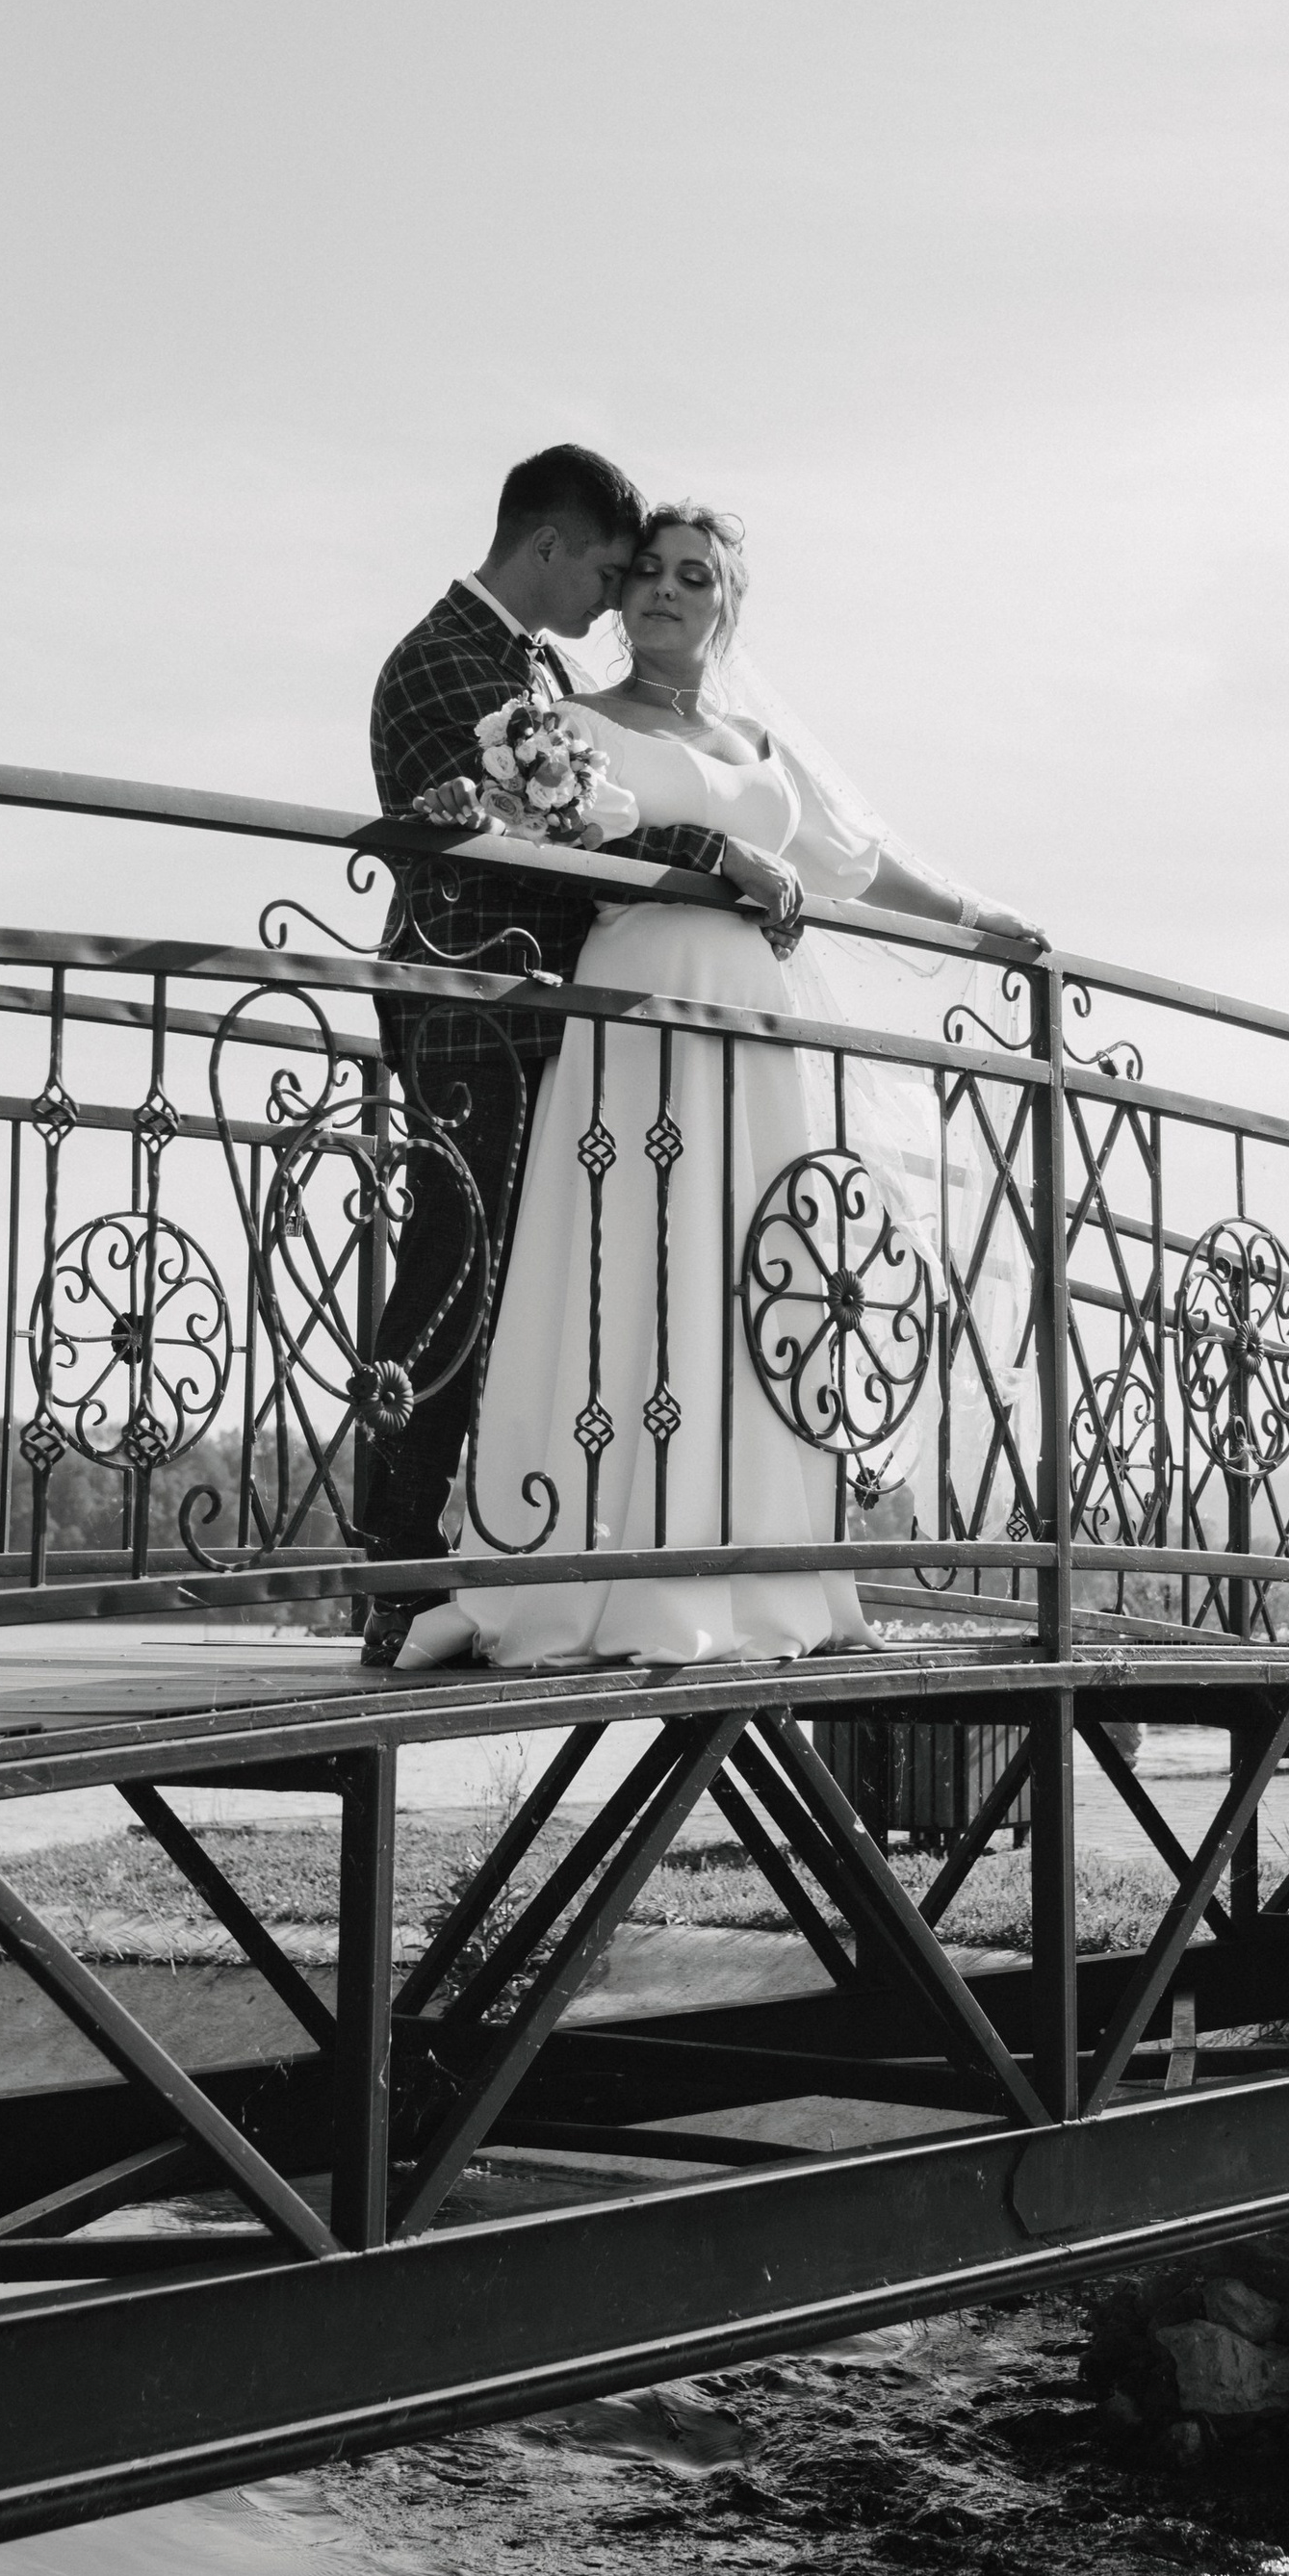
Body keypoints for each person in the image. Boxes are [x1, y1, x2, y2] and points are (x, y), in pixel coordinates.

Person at [397, 503, 1039, 1675]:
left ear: (725, 603)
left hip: (756, 1030)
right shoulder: (563, 720)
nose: (662, 590)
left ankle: (755, 1563)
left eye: (692, 575)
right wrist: (468, 810)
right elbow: (532, 833)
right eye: (645, 571)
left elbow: (856, 860)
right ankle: (600, 1572)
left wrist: (977, 919)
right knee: (633, 1261)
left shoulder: (759, 746)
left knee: (747, 1267)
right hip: (636, 1005)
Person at [354, 441, 648, 1667]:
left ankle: (471, 1546)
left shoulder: (539, 668)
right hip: (465, 998)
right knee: (449, 1254)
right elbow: (476, 835)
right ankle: (391, 1561)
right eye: (606, 570)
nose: (613, 600)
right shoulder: (434, 663)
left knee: (502, 1265)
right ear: (547, 546)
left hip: (535, 1008)